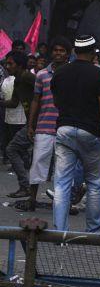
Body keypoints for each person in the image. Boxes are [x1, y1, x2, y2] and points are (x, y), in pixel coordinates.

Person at [50, 35, 100, 232]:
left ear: (74, 51)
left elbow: (56, 103)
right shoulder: (99, 75)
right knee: (95, 183)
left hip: (64, 130)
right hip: (90, 131)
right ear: (93, 52)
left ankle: (59, 232)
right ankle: (93, 231)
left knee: (62, 183)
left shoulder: (60, 73)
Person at [19, 37, 72, 211]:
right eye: (56, 50)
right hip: (44, 126)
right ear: (51, 52)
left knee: (63, 166)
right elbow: (36, 100)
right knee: (38, 162)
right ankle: (32, 199)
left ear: (68, 54)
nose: (58, 53)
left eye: (62, 50)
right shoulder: (42, 75)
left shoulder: (73, 73)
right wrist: (30, 124)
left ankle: (64, 202)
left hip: (67, 126)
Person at [1, 51, 35, 197]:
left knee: (12, 149)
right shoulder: (17, 80)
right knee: (15, 149)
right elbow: (14, 103)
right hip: (31, 123)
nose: (7, 66)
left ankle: (25, 187)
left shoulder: (28, 77)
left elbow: (45, 92)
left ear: (20, 65)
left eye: (10, 63)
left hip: (38, 122)